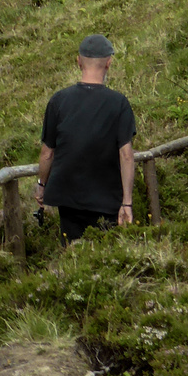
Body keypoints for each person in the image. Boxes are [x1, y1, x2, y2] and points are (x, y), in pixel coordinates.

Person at [36, 34, 137, 243]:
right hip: (107, 199)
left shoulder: (58, 101)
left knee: (72, 255)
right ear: (109, 63)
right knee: (106, 256)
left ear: (78, 61)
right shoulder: (119, 103)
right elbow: (126, 155)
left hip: (68, 197)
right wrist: (127, 202)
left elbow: (48, 152)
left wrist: (41, 185)